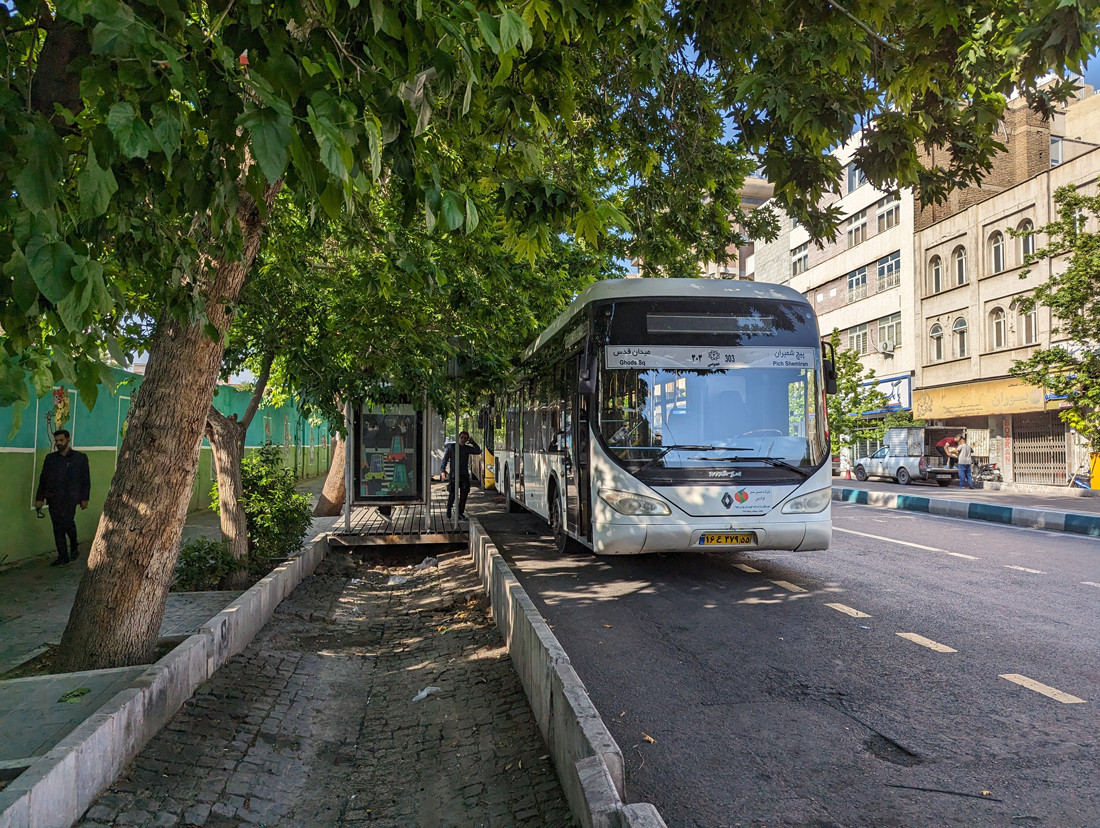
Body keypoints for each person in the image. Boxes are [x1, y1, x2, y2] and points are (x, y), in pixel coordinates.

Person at [34, 429, 91, 566]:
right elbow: (43, 479)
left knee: (68, 523)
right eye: (56, 441)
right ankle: (62, 556)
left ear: (68, 440)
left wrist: (84, 498)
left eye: (61, 440)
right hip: (53, 498)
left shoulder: (80, 458)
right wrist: (39, 498)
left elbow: (85, 479)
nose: (58, 443)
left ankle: (74, 544)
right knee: (57, 528)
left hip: (71, 498)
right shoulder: (50, 459)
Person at [441, 430, 481, 521]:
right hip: (454, 474)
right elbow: (445, 459)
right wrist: (443, 470)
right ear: (458, 437)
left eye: (465, 438)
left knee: (464, 495)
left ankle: (460, 512)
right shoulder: (452, 447)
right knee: (452, 494)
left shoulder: (466, 448)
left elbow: (478, 451)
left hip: (464, 474)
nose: (463, 439)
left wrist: (473, 442)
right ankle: (449, 509)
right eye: (462, 437)